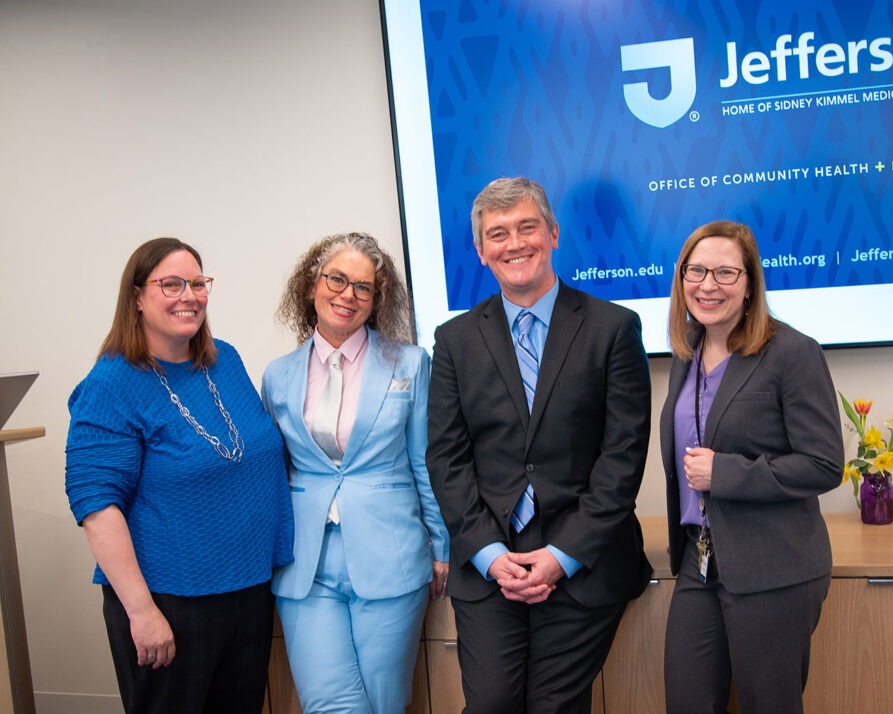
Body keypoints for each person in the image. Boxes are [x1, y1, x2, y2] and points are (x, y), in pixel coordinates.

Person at [427, 177, 653, 713]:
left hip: (584, 561)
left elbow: (623, 457)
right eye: (498, 234)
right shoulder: (454, 341)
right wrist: (488, 554)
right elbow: (446, 457)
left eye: (528, 227)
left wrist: (562, 555)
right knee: (492, 705)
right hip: (490, 564)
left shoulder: (614, 328)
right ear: (482, 253)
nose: (515, 243)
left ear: (553, 234)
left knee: (553, 707)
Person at [64, 237, 294, 714]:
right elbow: (96, 506)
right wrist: (142, 612)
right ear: (136, 297)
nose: (188, 295)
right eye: (170, 284)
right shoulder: (110, 384)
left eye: (197, 283)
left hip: (247, 590)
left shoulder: (223, 360)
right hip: (169, 601)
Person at [660, 220, 844, 713]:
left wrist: (727, 474)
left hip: (773, 568)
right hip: (698, 565)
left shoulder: (792, 352)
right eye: (696, 271)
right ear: (681, 280)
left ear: (750, 283)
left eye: (725, 272)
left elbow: (825, 464)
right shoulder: (688, 353)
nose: (708, 285)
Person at [261, 232, 449, 714]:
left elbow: (423, 459)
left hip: (392, 556)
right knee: (328, 704)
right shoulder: (278, 375)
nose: (348, 294)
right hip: (306, 564)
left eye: (363, 288)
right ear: (311, 286)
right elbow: (274, 472)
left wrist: (441, 545)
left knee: (384, 704)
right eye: (337, 279)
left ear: (376, 301)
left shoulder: (409, 363)